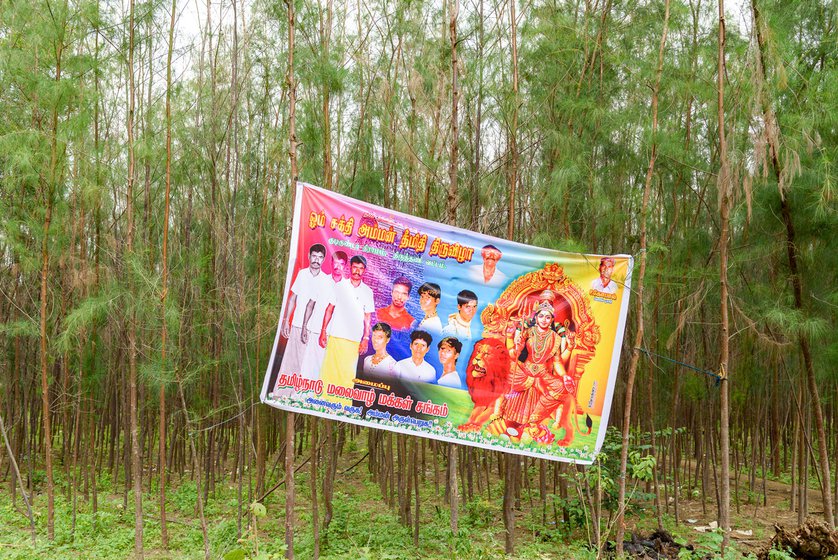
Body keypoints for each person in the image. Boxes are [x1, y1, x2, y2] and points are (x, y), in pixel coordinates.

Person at [501, 302, 569, 430]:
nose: (544, 320)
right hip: (525, 371)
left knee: (561, 387)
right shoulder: (527, 332)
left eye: (548, 317)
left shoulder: (556, 338)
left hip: (542, 374)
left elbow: (557, 362)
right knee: (506, 369)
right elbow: (515, 354)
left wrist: (565, 376)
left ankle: (535, 417)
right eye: (541, 316)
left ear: (552, 320)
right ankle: (505, 414)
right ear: (536, 318)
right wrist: (519, 347)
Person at [274, 243, 330, 391]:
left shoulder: (326, 280)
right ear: (308, 256)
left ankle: (300, 397)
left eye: (319, 257)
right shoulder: (302, 274)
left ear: (323, 259)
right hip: (297, 324)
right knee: (291, 362)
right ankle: (283, 394)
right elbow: (293, 299)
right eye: (314, 256)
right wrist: (287, 321)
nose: (316, 260)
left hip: (315, 329)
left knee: (308, 367)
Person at [319, 255, 375, 399]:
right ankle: (323, 401)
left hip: (354, 341)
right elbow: (329, 309)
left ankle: (342, 405)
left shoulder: (368, 292)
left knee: (347, 375)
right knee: (329, 372)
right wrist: (323, 331)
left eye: (361, 268)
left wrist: (366, 338)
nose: (357, 271)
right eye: (355, 267)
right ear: (350, 268)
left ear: (365, 271)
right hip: (336, 336)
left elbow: (367, 317)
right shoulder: (340, 286)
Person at [298, 250, 347, 377]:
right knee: (308, 368)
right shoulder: (322, 280)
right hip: (316, 331)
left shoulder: (348, 287)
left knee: (327, 373)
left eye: (341, 264)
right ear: (330, 263)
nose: (337, 267)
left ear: (345, 266)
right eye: (335, 263)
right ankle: (301, 396)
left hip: (336, 336)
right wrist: (304, 327)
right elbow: (310, 305)